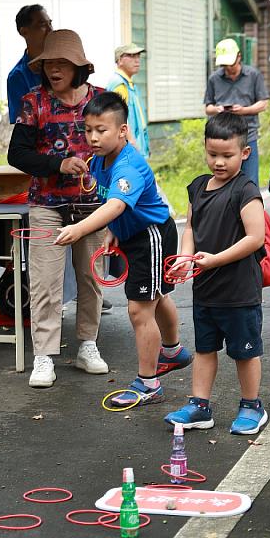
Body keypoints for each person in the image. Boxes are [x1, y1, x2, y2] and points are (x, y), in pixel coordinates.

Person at [53, 91, 193, 406]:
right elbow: (116, 207)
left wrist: (78, 230)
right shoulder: (101, 160)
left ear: (122, 130)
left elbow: (116, 205)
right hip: (135, 235)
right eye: (88, 130)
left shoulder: (129, 166)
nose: (92, 137)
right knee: (157, 297)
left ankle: (149, 383)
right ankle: (172, 351)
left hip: (151, 236)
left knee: (140, 308)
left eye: (101, 130)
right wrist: (116, 233)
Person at [7, 29, 109, 388]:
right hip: (46, 205)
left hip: (93, 206)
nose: (54, 69)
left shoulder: (102, 100)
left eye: (62, 63)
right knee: (45, 284)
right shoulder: (33, 102)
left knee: (91, 280)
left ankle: (88, 345)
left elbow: (119, 146)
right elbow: (16, 154)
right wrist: (58, 164)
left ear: (78, 66)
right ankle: (43, 356)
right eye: (49, 63)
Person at [163, 113, 268, 435]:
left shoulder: (246, 189)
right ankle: (199, 406)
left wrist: (214, 260)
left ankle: (252, 406)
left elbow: (256, 238)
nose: (218, 162)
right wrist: (185, 257)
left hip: (239, 291)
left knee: (244, 352)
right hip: (205, 289)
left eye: (227, 155)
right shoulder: (197, 187)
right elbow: (191, 227)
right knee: (205, 349)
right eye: (213, 155)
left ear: (245, 153)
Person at [204, 39, 269, 186]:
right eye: (224, 65)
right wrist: (217, 109)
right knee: (223, 181)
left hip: (247, 135)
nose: (228, 68)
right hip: (222, 136)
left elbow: (263, 104)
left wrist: (244, 110)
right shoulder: (214, 78)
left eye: (231, 64)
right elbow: (208, 107)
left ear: (239, 57)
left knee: (250, 180)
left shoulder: (253, 75)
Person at [7, 4, 52, 124]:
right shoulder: (18, 76)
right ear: (24, 31)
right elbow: (22, 122)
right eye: (42, 24)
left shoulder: (64, 63)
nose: (50, 29)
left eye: (50, 23)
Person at [107, 43, 149, 158]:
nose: (137, 60)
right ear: (120, 60)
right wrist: (131, 140)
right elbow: (118, 117)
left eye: (138, 56)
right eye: (131, 56)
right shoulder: (119, 84)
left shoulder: (129, 83)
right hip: (129, 146)